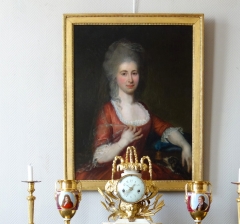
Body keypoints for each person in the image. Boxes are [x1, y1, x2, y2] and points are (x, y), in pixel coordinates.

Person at [76, 39, 192, 181]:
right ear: (115, 77)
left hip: (139, 171)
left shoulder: (143, 109)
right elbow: (99, 157)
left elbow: (165, 128)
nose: (130, 79)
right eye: (124, 73)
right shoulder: (108, 110)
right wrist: (122, 142)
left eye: (134, 73)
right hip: (113, 173)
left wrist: (185, 145)